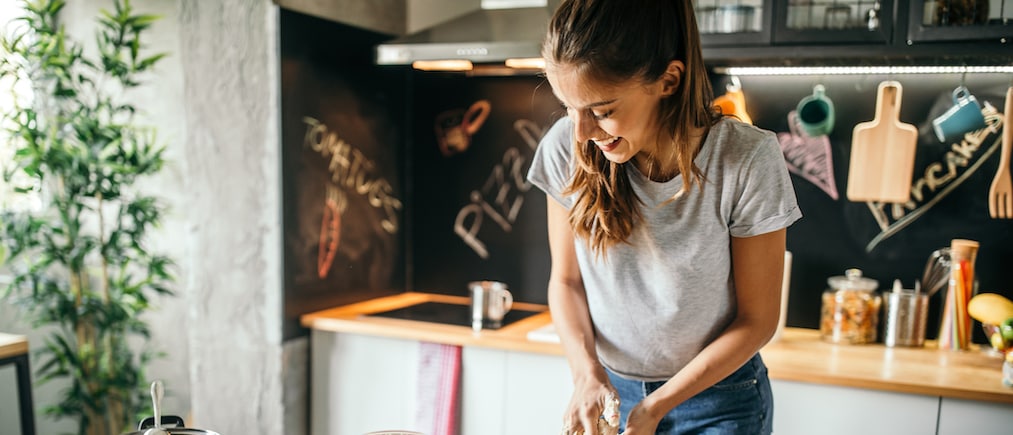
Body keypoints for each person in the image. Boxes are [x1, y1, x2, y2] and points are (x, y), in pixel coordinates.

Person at [526, 1, 803, 434]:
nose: (581, 133)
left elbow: (758, 321)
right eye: (568, 108)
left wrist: (657, 406)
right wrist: (586, 375)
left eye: (601, 110)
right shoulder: (566, 148)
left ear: (668, 80)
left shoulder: (746, 159)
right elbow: (566, 282)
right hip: (611, 392)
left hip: (720, 402)